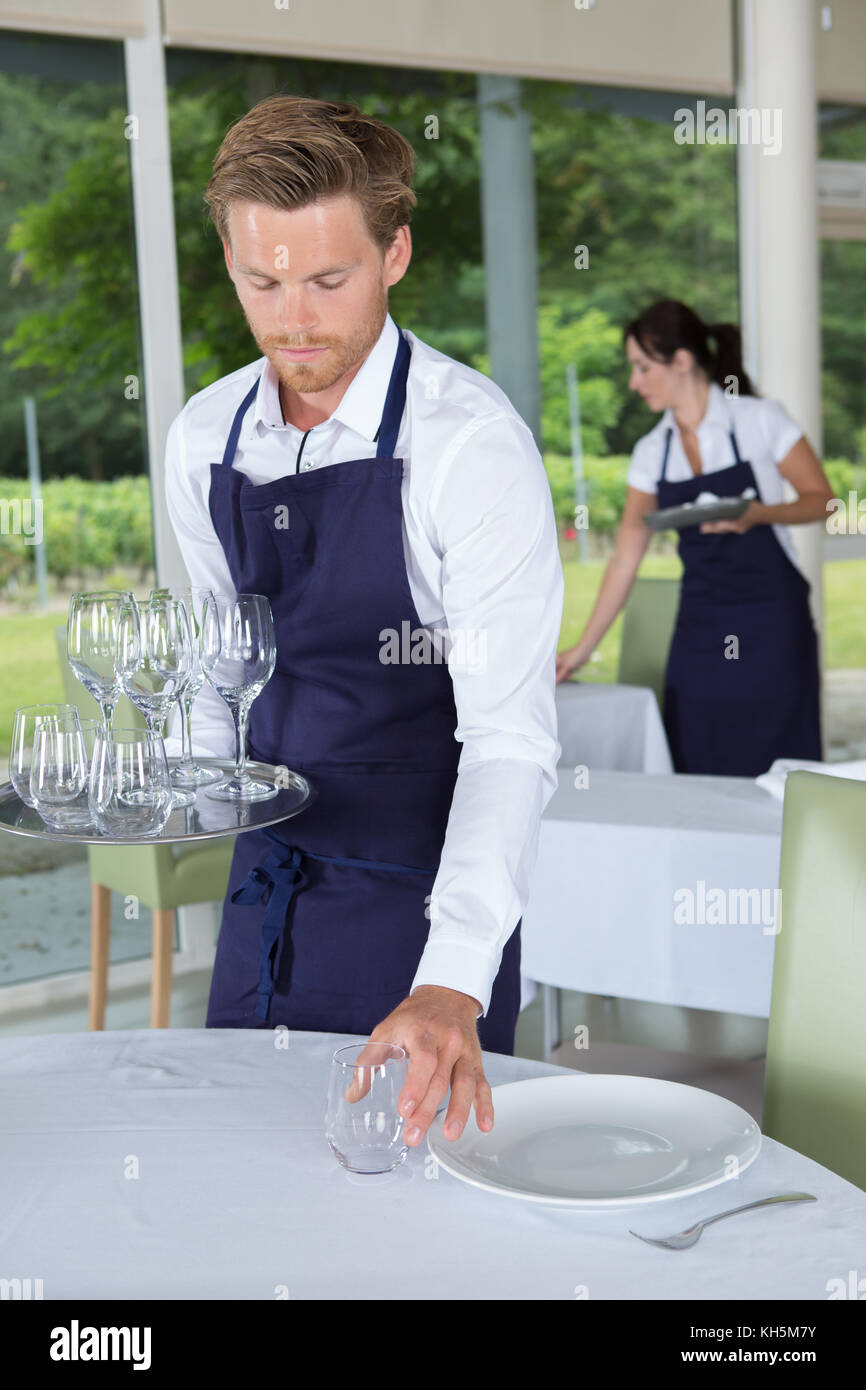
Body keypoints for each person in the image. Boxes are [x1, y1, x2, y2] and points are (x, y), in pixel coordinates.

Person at [163, 96, 563, 1150]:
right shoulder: (202, 438)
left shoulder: (468, 445)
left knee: (410, 1204)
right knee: (239, 1172)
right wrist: (173, 791)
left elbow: (510, 737)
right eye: (263, 282)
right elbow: (217, 670)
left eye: (328, 280)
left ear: (394, 254)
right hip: (265, 890)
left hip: (418, 909)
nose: (293, 318)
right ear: (230, 260)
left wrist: (453, 979)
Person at [556, 299, 833, 777]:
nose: (634, 382)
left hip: (773, 625)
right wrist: (581, 650)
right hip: (701, 629)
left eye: (642, 367)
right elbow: (625, 557)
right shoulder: (651, 452)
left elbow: (823, 501)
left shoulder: (761, 420)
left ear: (681, 361)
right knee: (696, 759)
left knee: (782, 770)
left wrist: (757, 514)